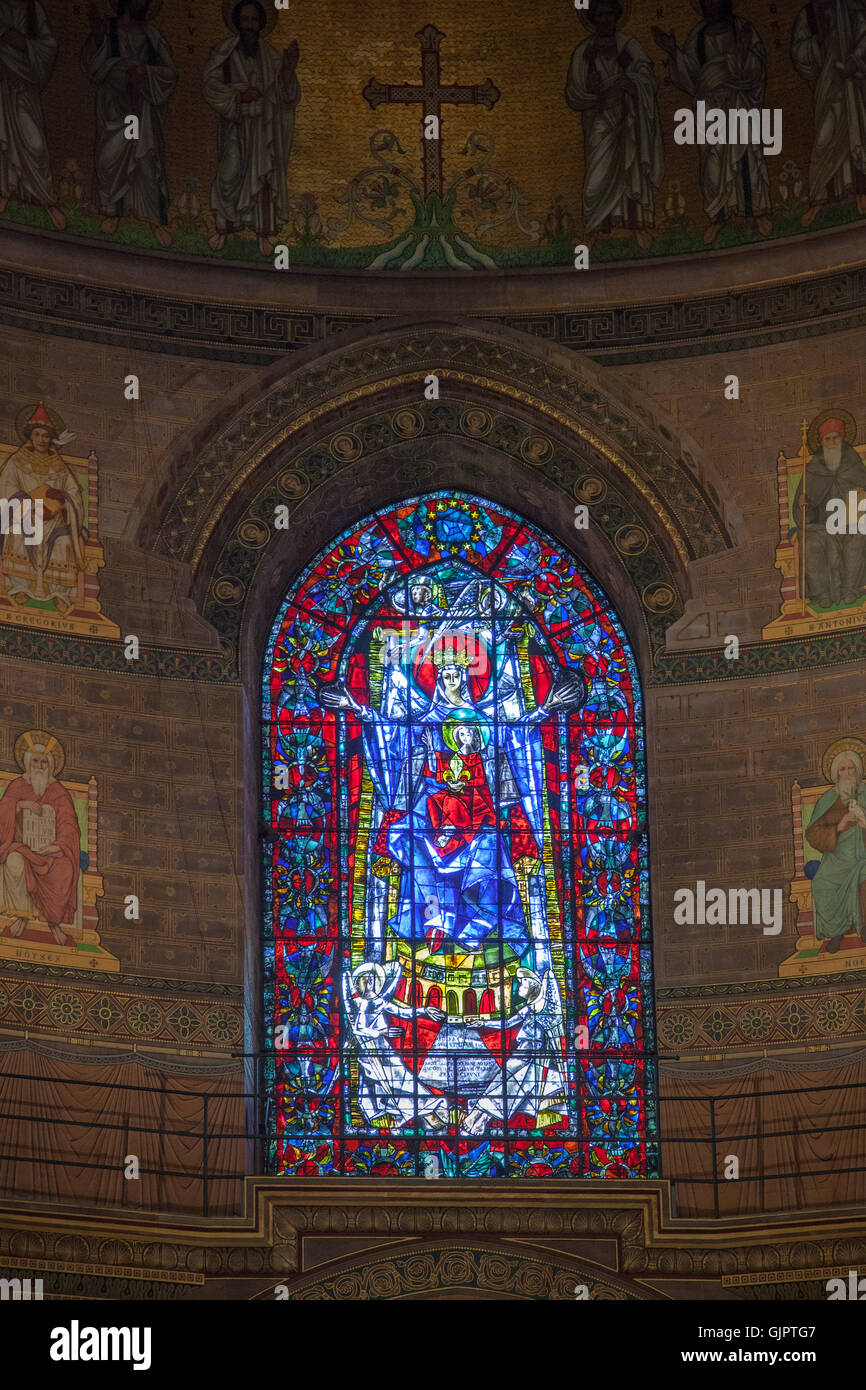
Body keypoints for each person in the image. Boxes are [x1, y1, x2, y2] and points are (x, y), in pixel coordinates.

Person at [653, 0, 773, 243]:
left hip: (739, 101)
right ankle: (718, 218)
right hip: (709, 108)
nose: (712, 4)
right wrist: (674, 52)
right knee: (713, 164)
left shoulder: (742, 29)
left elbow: (758, 69)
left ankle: (757, 212)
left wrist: (742, 56)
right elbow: (690, 78)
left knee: (747, 158)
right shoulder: (697, 37)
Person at [202, 0, 300, 257]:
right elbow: (210, 86)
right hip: (236, 124)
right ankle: (223, 229)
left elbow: (287, 95)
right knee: (228, 173)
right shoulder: (225, 52)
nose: (249, 26)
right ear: (237, 22)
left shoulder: (271, 55)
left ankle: (262, 235)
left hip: (263, 127)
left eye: (254, 20)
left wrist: (288, 70)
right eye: (244, 20)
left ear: (261, 23)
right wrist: (238, 96)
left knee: (264, 179)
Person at [565, 0, 664, 250]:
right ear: (592, 18)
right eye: (600, 15)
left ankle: (637, 226)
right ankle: (594, 228)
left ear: (617, 16)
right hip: (599, 121)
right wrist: (591, 89)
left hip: (628, 118)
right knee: (596, 178)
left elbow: (647, 77)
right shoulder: (584, 51)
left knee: (631, 172)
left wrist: (632, 83)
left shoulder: (628, 45)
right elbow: (574, 92)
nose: (605, 20)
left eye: (610, 15)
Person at [82, 0, 178, 247]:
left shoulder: (152, 35)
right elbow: (92, 67)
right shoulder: (108, 29)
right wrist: (112, 59)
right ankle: (112, 211)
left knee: (144, 160)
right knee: (109, 157)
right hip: (114, 107)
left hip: (141, 110)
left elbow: (170, 73)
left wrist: (145, 72)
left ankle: (152, 220)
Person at [0, 733, 79, 948]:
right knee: (15, 861)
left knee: (65, 869)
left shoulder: (58, 792)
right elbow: (2, 814)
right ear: (27, 762)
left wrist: (57, 846)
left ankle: (54, 923)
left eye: (44, 762)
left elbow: (69, 825)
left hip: (50, 852)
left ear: (51, 765)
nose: (40, 765)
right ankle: (22, 916)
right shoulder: (17, 786)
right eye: (35, 760)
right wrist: (20, 805)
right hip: (21, 846)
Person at [792, 0, 866, 225]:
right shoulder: (809, 15)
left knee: (858, 133)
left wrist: (855, 60)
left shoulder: (851, 6)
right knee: (825, 139)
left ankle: (861, 193)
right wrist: (818, 41)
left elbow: (864, 33)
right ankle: (822, 200)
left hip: (854, 85)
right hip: (827, 88)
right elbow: (799, 52)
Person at [0, 0, 64, 228]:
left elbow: (49, 45)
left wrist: (25, 43)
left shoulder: (33, 9)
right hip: (2, 83)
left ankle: (46, 199)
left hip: (24, 86)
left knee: (35, 144)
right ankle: (4, 193)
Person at [806, 750, 866, 953]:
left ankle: (863, 927)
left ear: (857, 771)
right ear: (836, 773)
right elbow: (813, 834)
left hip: (864, 854)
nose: (848, 773)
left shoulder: (865, 792)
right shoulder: (829, 799)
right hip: (837, 858)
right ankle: (836, 932)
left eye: (851, 768)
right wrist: (838, 827)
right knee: (821, 882)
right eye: (843, 769)